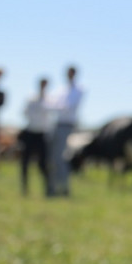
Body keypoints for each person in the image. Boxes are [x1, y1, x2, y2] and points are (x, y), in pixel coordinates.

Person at [47, 65, 84, 197]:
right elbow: (50, 104)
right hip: (55, 125)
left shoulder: (79, 89)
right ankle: (54, 188)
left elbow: (68, 107)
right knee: (53, 158)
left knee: (61, 158)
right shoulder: (61, 89)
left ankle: (63, 188)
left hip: (67, 126)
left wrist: (56, 106)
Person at [18, 77, 52, 197]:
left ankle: (47, 188)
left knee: (42, 163)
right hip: (30, 132)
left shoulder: (50, 100)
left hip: (42, 134)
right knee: (25, 162)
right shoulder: (31, 98)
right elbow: (24, 112)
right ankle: (24, 188)